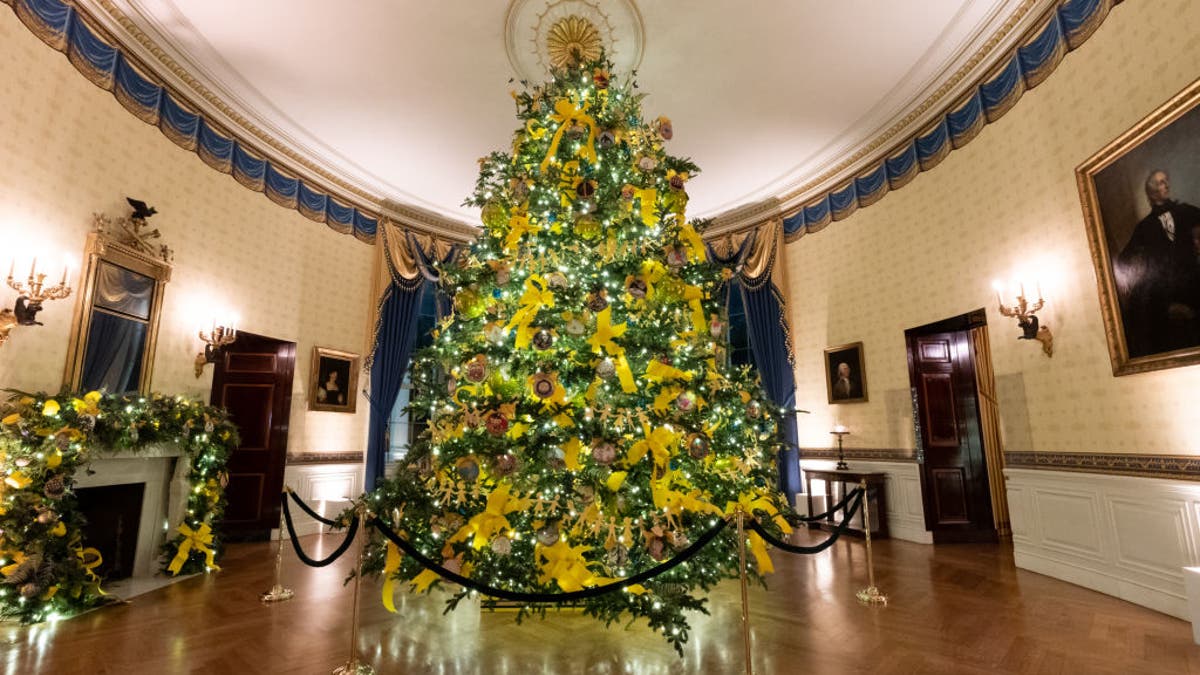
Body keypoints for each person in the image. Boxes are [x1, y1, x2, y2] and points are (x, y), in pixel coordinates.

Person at [1116, 169, 1200, 356]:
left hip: (1193, 281)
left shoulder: (1185, 211)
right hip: (1166, 292)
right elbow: (1123, 260)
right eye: (1161, 182)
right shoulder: (1145, 227)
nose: (1167, 185)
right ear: (1152, 192)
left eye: (1166, 181)